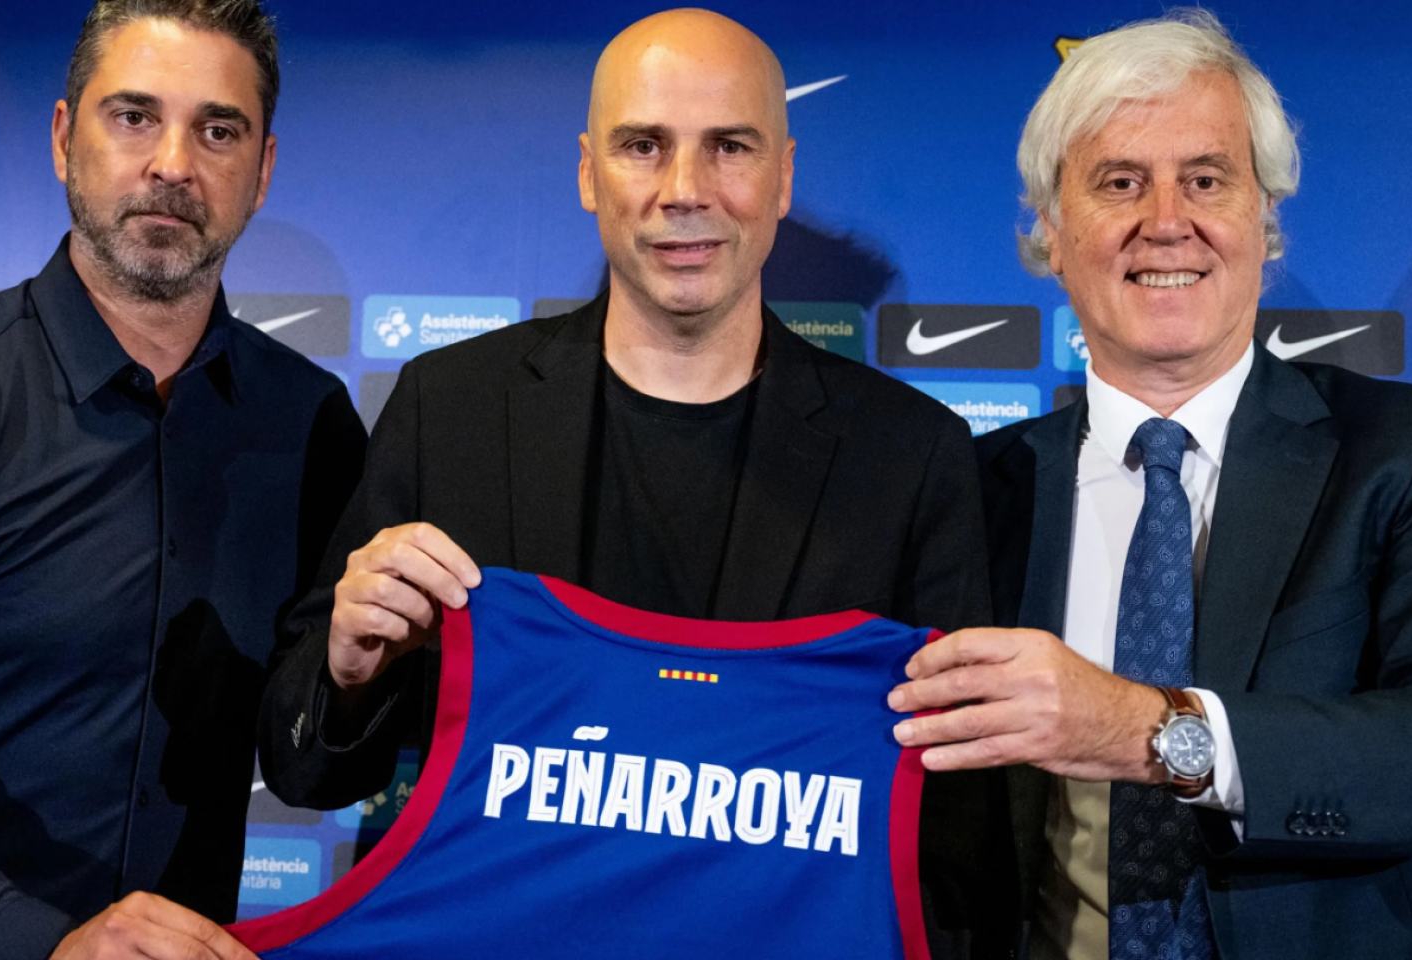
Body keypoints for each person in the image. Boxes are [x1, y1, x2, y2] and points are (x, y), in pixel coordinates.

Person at [256, 8, 1008, 956]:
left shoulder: (914, 457)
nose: (684, 191)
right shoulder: (450, 409)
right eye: (643, 146)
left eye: (728, 147)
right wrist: (349, 674)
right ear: (587, 172)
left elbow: (952, 839)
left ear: (783, 176)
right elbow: (299, 769)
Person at [889, 10, 1412, 960]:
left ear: (1265, 222)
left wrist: (1144, 730)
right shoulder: (973, 488)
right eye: (1119, 182)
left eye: (1207, 179)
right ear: (1052, 233)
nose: (1166, 220)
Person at [0, 2, 366, 959]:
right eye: (133, 116)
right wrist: (42, 945)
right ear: (67, 140)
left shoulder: (312, 423)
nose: (173, 164)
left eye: (218, 129)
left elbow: (308, 771)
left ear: (262, 172)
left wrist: (352, 685)